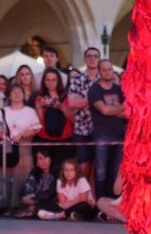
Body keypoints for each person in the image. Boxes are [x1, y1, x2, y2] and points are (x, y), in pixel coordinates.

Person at [0, 83, 42, 214]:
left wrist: (22, 136)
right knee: (5, 175)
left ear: (24, 95)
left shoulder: (30, 111)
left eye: (19, 92)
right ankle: (3, 204)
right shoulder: (2, 111)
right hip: (7, 148)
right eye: (13, 92)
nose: (17, 94)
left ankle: (18, 205)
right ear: (9, 95)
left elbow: (36, 128)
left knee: (21, 177)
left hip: (24, 148)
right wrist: (4, 137)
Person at [88, 59, 127, 198]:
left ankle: (113, 202)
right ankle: (100, 202)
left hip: (120, 135)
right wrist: (122, 107)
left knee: (116, 172)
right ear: (99, 71)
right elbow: (104, 110)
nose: (107, 72)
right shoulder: (94, 90)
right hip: (102, 135)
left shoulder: (119, 89)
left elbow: (128, 114)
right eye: (104, 69)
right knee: (100, 172)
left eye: (109, 69)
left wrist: (111, 110)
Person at [68, 47, 101, 191]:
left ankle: (96, 196)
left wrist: (83, 101)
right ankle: (82, 193)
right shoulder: (77, 79)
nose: (92, 58)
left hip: (101, 128)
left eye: (95, 56)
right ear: (85, 59)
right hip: (81, 128)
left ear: (99, 59)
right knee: (84, 165)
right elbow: (72, 103)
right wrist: (96, 100)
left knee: (100, 166)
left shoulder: (105, 79)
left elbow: (111, 102)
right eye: (89, 56)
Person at [34, 68, 75, 166]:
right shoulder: (39, 98)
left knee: (62, 170)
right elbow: (39, 123)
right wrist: (39, 107)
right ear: (44, 81)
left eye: (53, 80)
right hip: (44, 141)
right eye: (48, 80)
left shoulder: (67, 97)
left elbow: (74, 120)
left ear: (58, 81)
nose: (51, 83)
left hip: (64, 141)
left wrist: (62, 108)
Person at [17, 149, 56, 218]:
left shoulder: (56, 173)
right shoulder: (34, 173)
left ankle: (32, 209)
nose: (43, 161)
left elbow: (51, 192)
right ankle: (31, 209)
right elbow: (25, 190)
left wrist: (33, 196)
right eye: (40, 159)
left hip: (49, 201)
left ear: (50, 159)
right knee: (28, 181)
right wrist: (27, 198)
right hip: (35, 201)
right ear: (37, 162)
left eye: (46, 158)